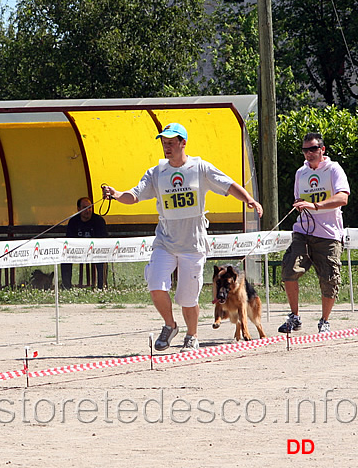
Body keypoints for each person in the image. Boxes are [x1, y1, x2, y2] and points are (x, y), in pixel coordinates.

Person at [102, 123, 263, 352]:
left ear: (183, 143)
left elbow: (228, 185)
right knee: (156, 285)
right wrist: (116, 194)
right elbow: (134, 195)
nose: (166, 147)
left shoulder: (200, 168)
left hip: (193, 245)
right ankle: (170, 325)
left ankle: (192, 334)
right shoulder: (156, 173)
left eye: (171, 142)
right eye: (163, 142)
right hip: (165, 242)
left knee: (188, 299)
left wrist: (249, 199)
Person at [278, 132, 350, 334]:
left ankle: (324, 321)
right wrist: (300, 205)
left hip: (328, 235)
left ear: (322, 150)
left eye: (313, 149)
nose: (309, 153)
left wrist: (315, 205)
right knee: (289, 270)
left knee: (329, 279)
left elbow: (343, 198)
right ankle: (295, 317)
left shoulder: (333, 169)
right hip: (303, 231)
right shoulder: (301, 173)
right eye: (305, 150)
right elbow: (299, 199)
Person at [61, 197, 108, 289]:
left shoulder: (99, 221)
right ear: (78, 209)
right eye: (85, 208)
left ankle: (101, 287)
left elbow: (104, 240)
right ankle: (66, 287)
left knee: (102, 259)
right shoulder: (73, 221)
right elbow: (69, 240)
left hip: (96, 251)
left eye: (90, 207)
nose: (88, 210)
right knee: (64, 260)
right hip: (77, 251)